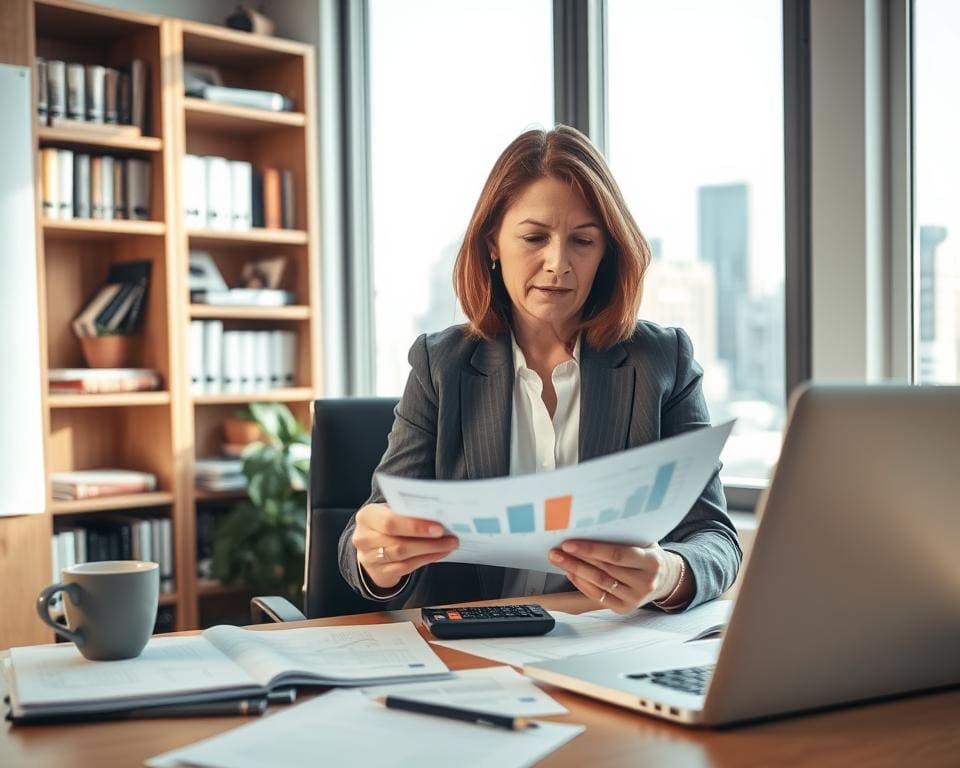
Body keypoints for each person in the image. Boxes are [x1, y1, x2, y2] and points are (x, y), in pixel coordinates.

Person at [339, 125, 741, 614]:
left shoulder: (662, 360)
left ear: (606, 252)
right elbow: (366, 536)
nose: (558, 264)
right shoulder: (440, 364)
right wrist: (379, 556)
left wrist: (668, 574)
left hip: (606, 639)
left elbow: (715, 537)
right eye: (534, 237)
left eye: (583, 242)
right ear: (493, 243)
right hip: (471, 647)